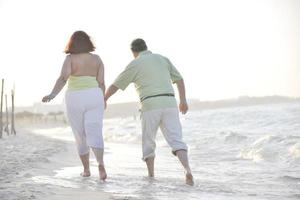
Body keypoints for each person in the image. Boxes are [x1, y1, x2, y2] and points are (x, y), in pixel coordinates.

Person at [105, 39, 194, 186]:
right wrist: (183, 101)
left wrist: (105, 98)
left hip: (150, 104)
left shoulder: (135, 64)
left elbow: (116, 85)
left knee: (148, 142)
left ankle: (151, 176)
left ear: (133, 52)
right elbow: (179, 79)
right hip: (170, 102)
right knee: (177, 140)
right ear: (146, 47)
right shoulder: (162, 59)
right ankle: (187, 170)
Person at [42, 31, 107, 180]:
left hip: (75, 97)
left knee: (80, 134)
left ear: (72, 43)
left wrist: (52, 94)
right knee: (95, 130)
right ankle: (101, 164)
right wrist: (103, 100)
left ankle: (86, 170)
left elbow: (63, 78)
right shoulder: (97, 59)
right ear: (88, 42)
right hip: (95, 95)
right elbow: (102, 82)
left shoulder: (70, 58)